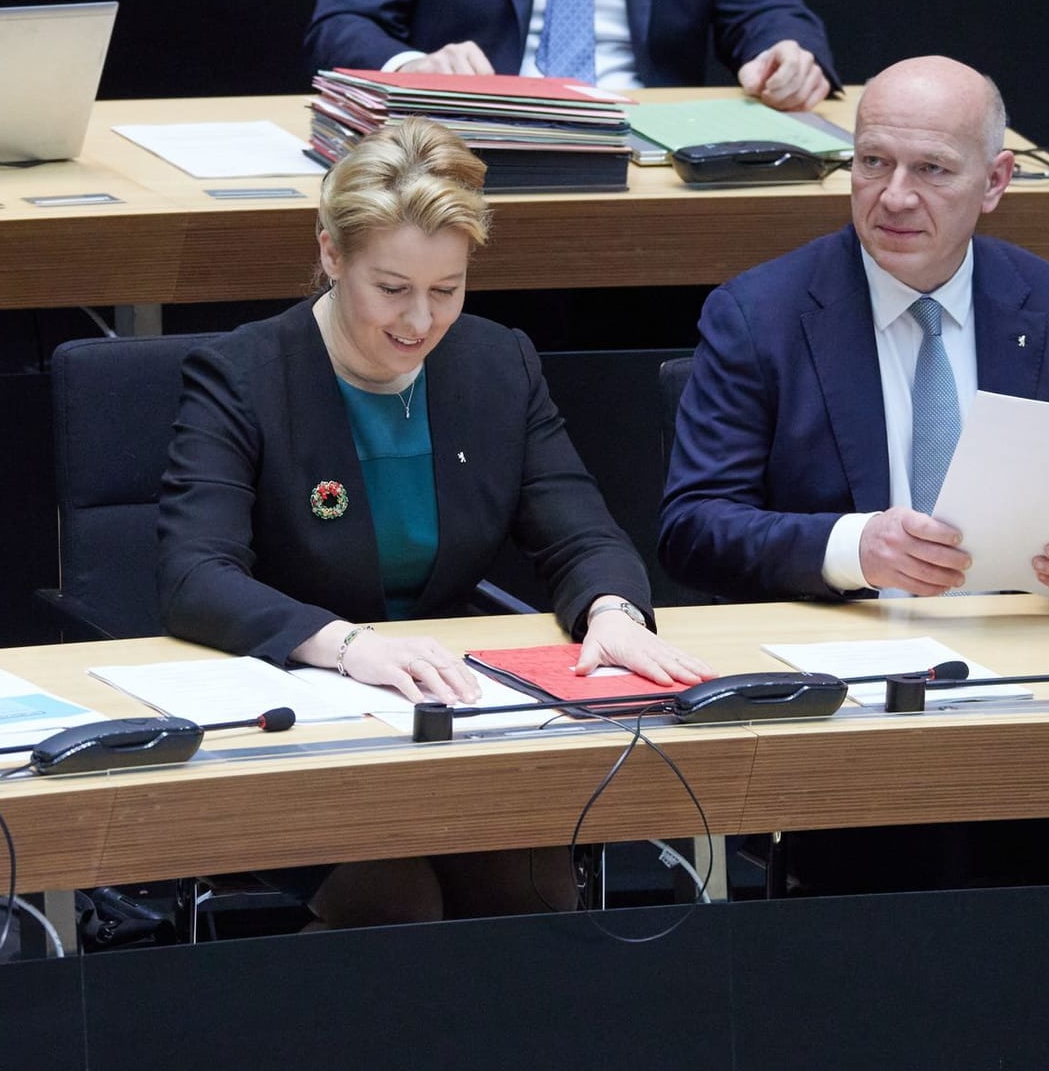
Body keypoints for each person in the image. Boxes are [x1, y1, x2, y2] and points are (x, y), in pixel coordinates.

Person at [157, 117, 713, 926]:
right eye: (392, 289)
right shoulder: (244, 375)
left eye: (446, 290)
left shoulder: (497, 363)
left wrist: (613, 611)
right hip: (299, 721)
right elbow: (192, 577)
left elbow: (581, 533)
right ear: (331, 255)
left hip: (448, 717)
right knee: (398, 902)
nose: (420, 321)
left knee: (530, 891)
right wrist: (350, 646)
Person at [659, 56, 1049, 889]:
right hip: (858, 680)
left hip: (1040, 656)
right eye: (873, 162)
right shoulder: (758, 315)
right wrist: (854, 548)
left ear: (995, 181)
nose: (894, 195)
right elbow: (693, 524)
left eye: (932, 170)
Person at [305, 0, 837, 111]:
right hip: (480, 123)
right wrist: (415, 69)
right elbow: (344, 22)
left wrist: (785, 54)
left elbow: (769, 12)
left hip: (647, 139)